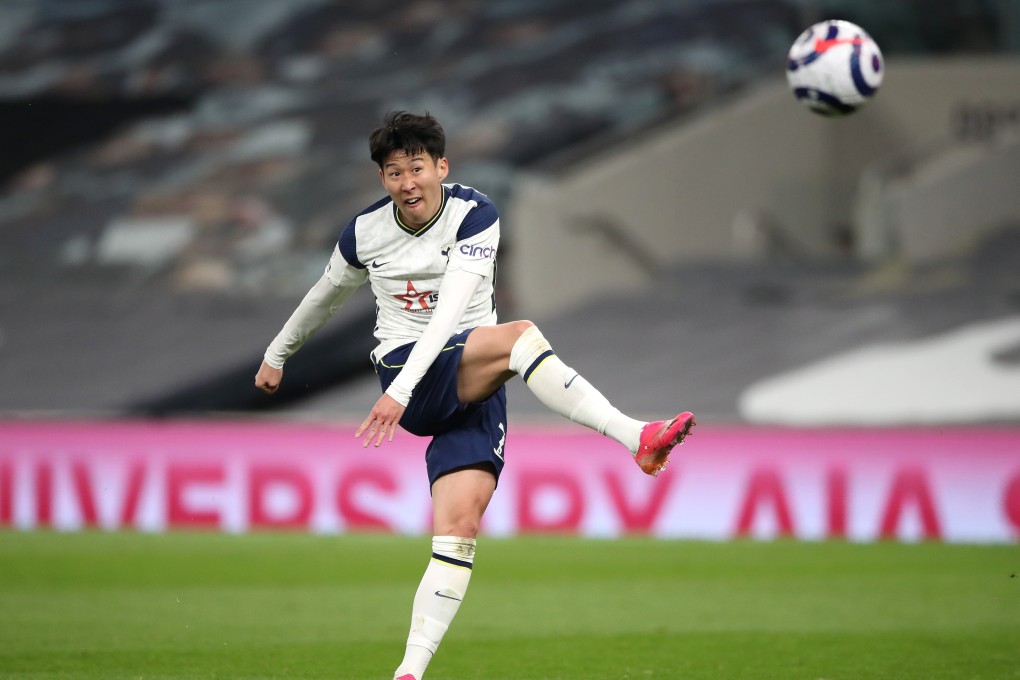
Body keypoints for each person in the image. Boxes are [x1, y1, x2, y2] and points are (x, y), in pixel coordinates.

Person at [254, 111, 695, 680]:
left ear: (441, 166)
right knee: (521, 337)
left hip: (471, 377)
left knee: (458, 530)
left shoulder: (475, 215)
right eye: (393, 173)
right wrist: (277, 353)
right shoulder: (364, 233)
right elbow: (324, 296)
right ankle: (637, 437)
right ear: (382, 179)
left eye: (416, 168)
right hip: (404, 367)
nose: (406, 182)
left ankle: (409, 671)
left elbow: (452, 312)